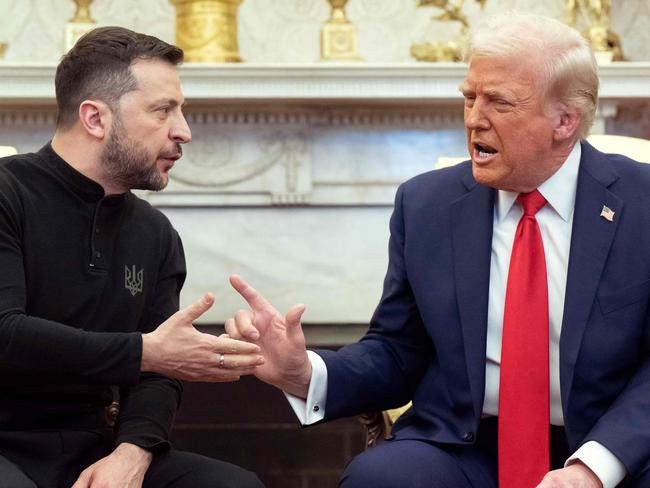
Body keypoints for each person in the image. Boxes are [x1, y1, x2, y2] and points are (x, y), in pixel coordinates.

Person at [225, 12, 650, 488]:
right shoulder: (426, 204)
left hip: (613, 444)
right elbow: (397, 350)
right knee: (380, 480)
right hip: (466, 445)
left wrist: (594, 467)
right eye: (469, 98)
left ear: (565, 121)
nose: (474, 119)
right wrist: (304, 372)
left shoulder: (642, 204)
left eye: (498, 102)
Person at [0, 27, 265, 488]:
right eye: (163, 110)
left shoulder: (155, 232)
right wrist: (145, 351)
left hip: (94, 446)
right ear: (95, 118)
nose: (184, 131)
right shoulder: (7, 193)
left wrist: (133, 452)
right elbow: (5, 333)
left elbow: (163, 371)